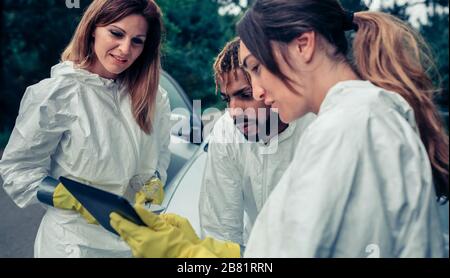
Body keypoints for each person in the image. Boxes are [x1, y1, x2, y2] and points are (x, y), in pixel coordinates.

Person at [109, 0, 449, 258]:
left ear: (303, 45)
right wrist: (206, 248)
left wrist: (186, 256)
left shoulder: (350, 126)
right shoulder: (359, 115)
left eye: (255, 68)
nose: (256, 91)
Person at [0, 0, 171, 258]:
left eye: (138, 41)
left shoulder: (154, 97)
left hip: (134, 242)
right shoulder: (56, 94)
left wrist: (155, 181)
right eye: (116, 33)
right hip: (72, 245)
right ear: (93, 28)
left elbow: (162, 154)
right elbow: (17, 168)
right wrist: (66, 196)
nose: (125, 49)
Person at [199, 37, 315, 252]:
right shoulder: (226, 130)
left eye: (245, 94)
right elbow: (220, 230)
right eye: (227, 99)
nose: (234, 111)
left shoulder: (316, 126)